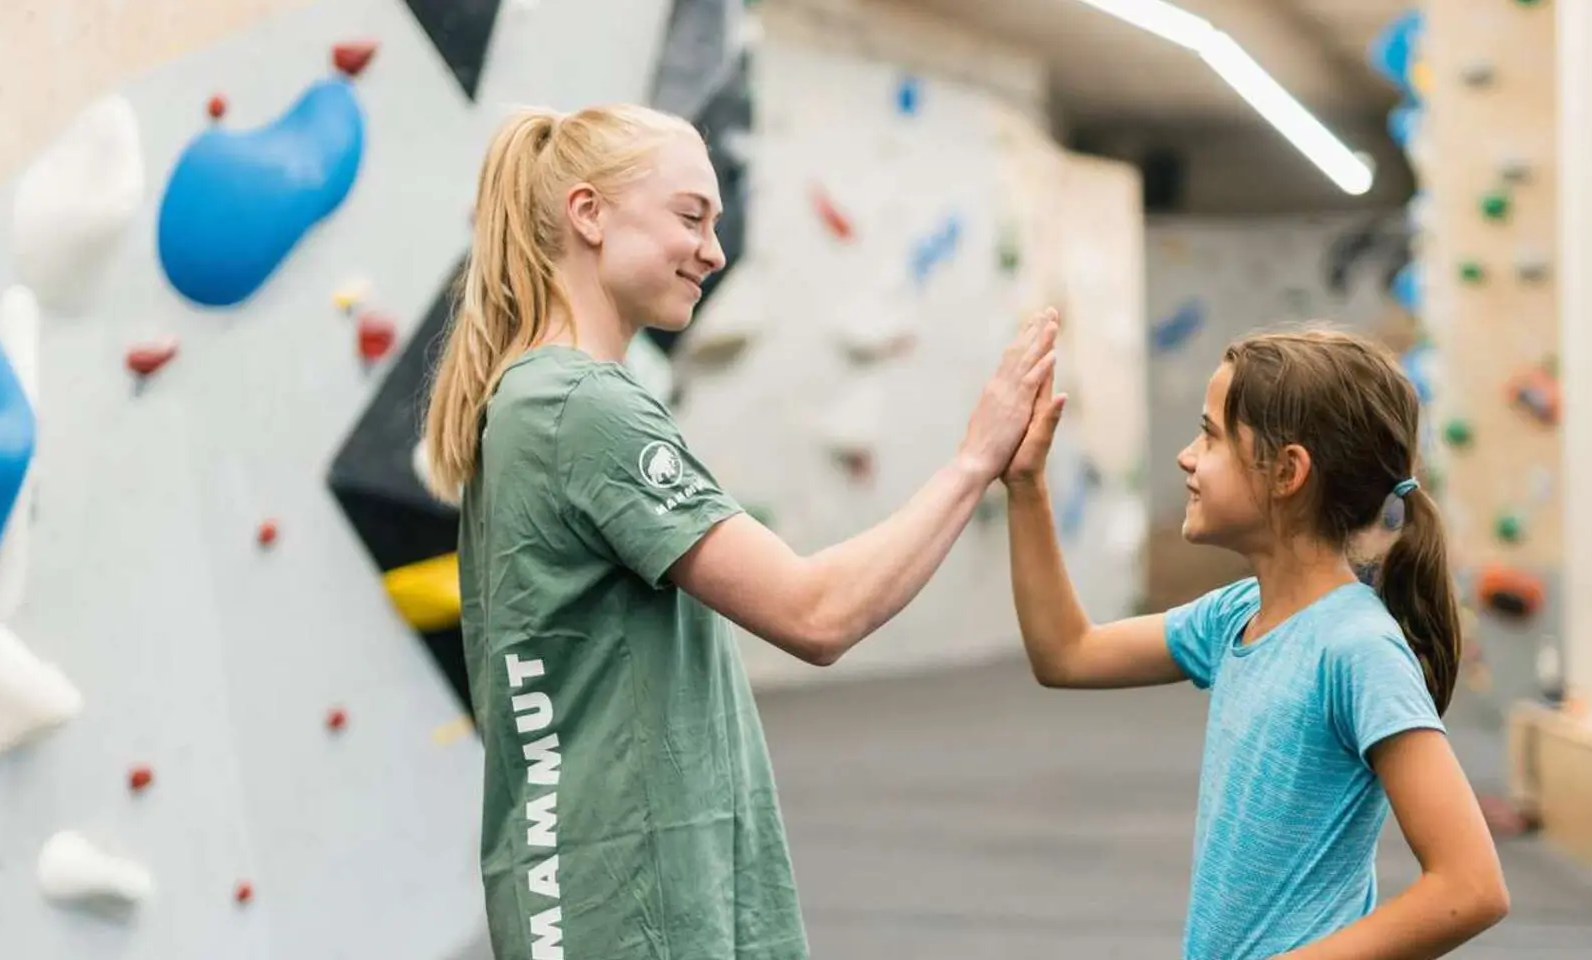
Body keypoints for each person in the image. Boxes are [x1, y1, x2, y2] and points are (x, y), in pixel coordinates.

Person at [419, 103, 1058, 960]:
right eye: (690, 217)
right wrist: (973, 462)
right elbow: (817, 614)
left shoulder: (546, 402)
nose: (714, 252)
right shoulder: (580, 407)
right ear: (589, 214)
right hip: (622, 907)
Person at [1000, 327, 1508, 959]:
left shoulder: (1356, 649)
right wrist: (1027, 488)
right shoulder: (1237, 615)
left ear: (1288, 472)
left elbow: (1471, 886)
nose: (1187, 457)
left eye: (1210, 436)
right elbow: (1067, 652)